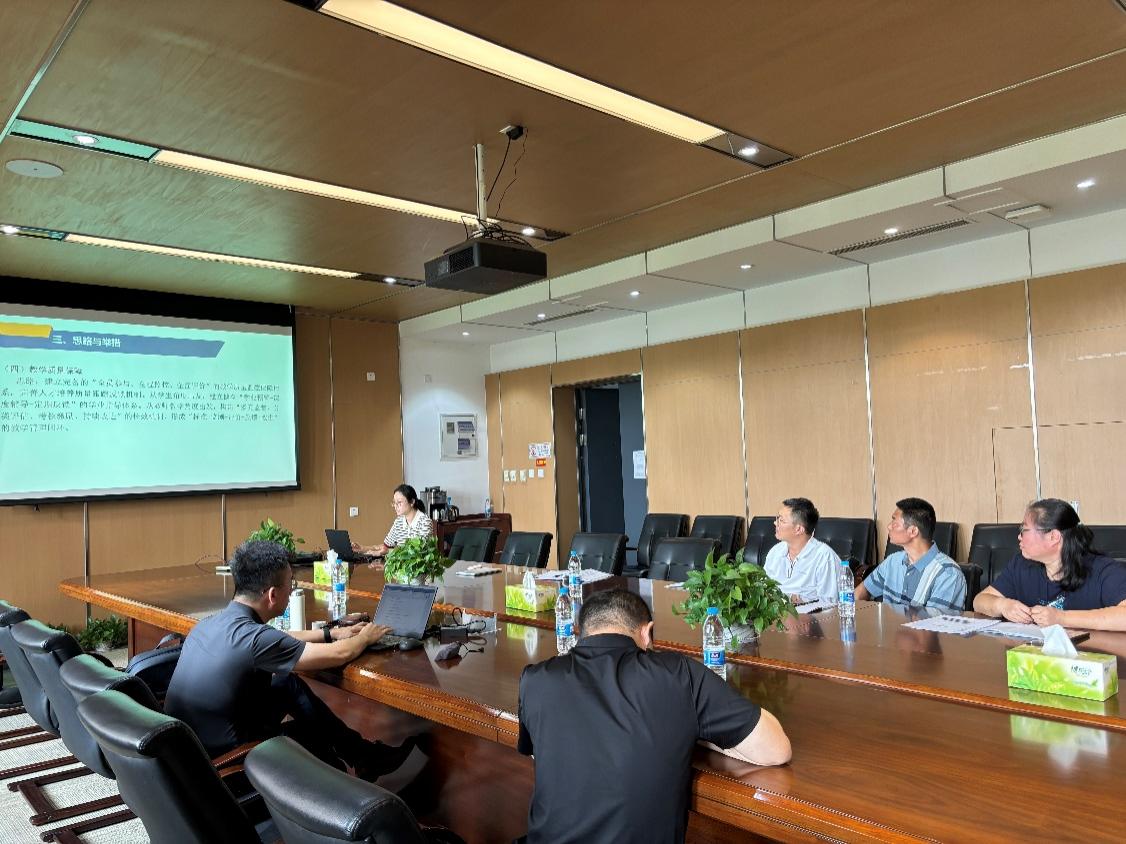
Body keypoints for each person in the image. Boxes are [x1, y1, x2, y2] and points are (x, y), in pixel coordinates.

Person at [517, 589, 790, 844]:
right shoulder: (678, 673)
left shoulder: (536, 679)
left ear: (581, 632)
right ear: (647, 633)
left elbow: (541, 754)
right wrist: (694, 726)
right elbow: (776, 751)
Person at [165, 540, 414, 779]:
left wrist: (330, 633)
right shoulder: (255, 639)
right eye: (290, 584)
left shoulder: (211, 623)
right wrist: (366, 636)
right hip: (226, 763)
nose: (292, 589)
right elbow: (340, 654)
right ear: (272, 595)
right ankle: (350, 780)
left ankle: (363, 758)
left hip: (190, 751)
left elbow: (276, 638)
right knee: (313, 738)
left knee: (287, 685)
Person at [974, 498, 1126, 631]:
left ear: (1053, 537)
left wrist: (1062, 618)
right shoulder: (1021, 564)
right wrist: (1002, 605)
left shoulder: (1104, 570)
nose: (1019, 536)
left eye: (1024, 530)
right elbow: (979, 601)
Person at [856, 497, 966, 612]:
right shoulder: (892, 561)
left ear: (913, 531)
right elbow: (860, 593)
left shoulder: (948, 574)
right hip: (888, 624)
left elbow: (935, 621)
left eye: (894, 522)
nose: (889, 526)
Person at [762, 497, 839, 603]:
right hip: (775, 611)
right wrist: (793, 597)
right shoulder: (775, 551)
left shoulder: (825, 557)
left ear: (798, 529)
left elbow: (829, 603)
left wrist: (797, 599)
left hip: (809, 613)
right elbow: (764, 588)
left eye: (781, 520)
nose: (775, 523)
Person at [355, 483, 433, 559]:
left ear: (412, 502)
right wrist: (362, 548)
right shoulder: (398, 522)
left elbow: (419, 552)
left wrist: (388, 551)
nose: (395, 506)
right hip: (401, 565)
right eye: (394, 503)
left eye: (399, 502)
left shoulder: (424, 521)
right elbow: (385, 547)